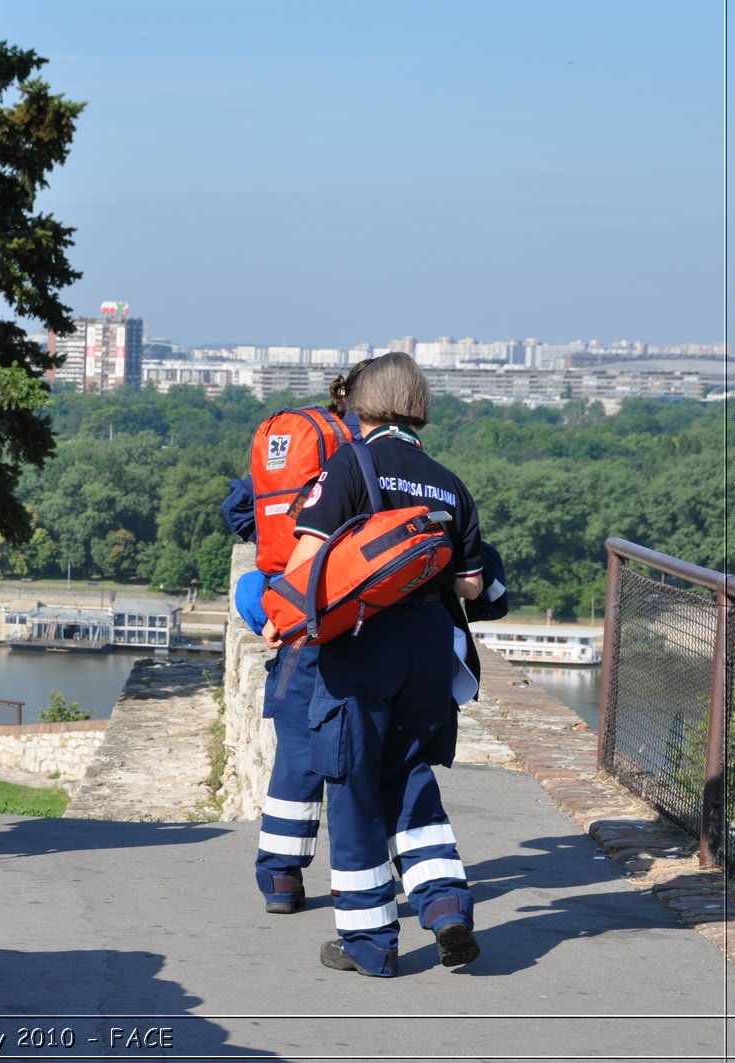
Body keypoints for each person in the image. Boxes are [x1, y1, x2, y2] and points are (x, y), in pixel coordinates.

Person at [262, 351, 485, 977]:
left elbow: (307, 567)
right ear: (418, 404)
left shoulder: (348, 464)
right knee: (412, 777)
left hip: (364, 647)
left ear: (362, 402)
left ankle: (370, 945)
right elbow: (470, 586)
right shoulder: (448, 482)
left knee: (354, 787)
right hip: (429, 647)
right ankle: (445, 906)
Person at [249, 363, 363, 916]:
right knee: (358, 755)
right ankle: (363, 878)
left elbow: (244, 513)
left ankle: (281, 880)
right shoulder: (367, 460)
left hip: (294, 624)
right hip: (353, 621)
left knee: (296, 753)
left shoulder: (305, 449)